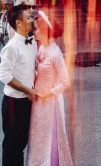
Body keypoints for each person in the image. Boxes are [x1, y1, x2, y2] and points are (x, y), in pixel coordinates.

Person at [27, 11, 73, 166]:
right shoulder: (41, 49)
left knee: (50, 138)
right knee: (39, 137)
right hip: (39, 102)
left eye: (36, 29)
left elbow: (65, 81)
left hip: (50, 102)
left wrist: (48, 94)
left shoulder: (55, 53)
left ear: (45, 30)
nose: (34, 32)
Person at [0, 4, 39, 165]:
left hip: (27, 101)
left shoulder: (33, 42)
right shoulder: (11, 47)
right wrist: (26, 90)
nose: (31, 20)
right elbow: (5, 76)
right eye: (28, 17)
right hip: (13, 102)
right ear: (19, 23)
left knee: (22, 142)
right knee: (12, 146)